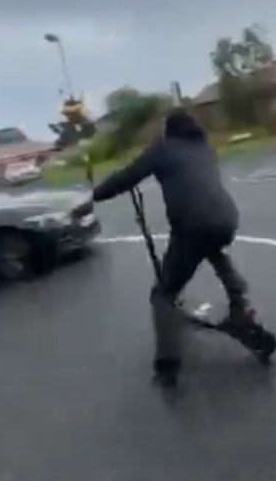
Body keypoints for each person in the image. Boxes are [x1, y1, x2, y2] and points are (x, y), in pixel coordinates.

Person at [75, 108, 253, 383]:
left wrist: (94, 195)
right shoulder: (204, 148)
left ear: (169, 130)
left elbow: (127, 176)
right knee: (213, 250)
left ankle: (167, 362)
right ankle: (240, 301)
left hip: (192, 226)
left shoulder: (163, 149)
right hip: (227, 219)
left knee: (162, 294)